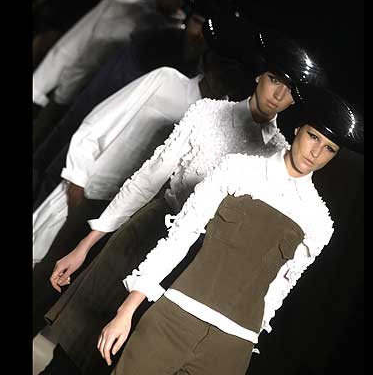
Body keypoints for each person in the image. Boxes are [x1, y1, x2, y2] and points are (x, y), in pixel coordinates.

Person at [37, 25, 331, 375]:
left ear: (296, 102)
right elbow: (146, 180)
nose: (278, 95)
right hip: (146, 237)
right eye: (273, 80)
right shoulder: (207, 113)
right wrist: (87, 244)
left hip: (193, 272)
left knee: (122, 362)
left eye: (289, 91)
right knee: (75, 351)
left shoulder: (279, 154)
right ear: (258, 75)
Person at [98, 86, 364, 375]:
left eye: (329, 149)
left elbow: (279, 286)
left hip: (233, 347)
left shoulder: (318, 220)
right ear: (299, 129)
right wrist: (127, 310)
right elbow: (179, 238)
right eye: (313, 136)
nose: (316, 152)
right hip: (175, 317)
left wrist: (250, 339)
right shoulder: (237, 169)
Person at [32, 0, 235, 208]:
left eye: (208, 32)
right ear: (187, 19)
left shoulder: (206, 84)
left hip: (116, 186)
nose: (199, 35)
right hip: (82, 153)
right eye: (197, 22)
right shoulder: (147, 47)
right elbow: (93, 104)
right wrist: (66, 164)